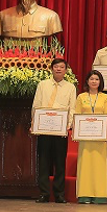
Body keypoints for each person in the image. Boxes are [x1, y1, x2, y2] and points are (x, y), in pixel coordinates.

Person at [31, 58, 76, 203]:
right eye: (56, 67)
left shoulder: (71, 87)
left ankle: (59, 194)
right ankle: (44, 193)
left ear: (66, 70)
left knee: (60, 163)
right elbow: (36, 104)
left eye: (61, 67)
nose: (58, 69)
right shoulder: (42, 85)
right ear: (51, 69)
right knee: (43, 162)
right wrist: (34, 122)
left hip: (60, 131)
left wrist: (67, 126)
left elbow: (72, 108)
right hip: (44, 129)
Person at [75, 70, 107, 204]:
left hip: (100, 138)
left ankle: (100, 194)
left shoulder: (105, 98)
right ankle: (84, 194)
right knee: (86, 165)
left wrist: (106, 130)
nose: (94, 81)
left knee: (99, 165)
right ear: (87, 81)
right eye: (92, 79)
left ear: (100, 82)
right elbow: (76, 115)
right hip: (85, 138)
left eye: (97, 79)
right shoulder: (81, 97)